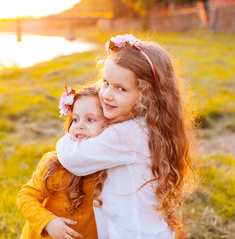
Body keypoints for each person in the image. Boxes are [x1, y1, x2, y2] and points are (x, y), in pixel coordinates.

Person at [56, 34, 195, 239]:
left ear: (147, 96)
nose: (107, 95)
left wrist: (73, 132)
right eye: (105, 83)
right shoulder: (151, 126)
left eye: (121, 88)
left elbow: (74, 160)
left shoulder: (126, 135)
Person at [17, 86, 108, 239]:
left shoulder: (110, 168)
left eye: (90, 119)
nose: (79, 125)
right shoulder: (54, 163)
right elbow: (26, 196)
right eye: (75, 119)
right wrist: (48, 222)